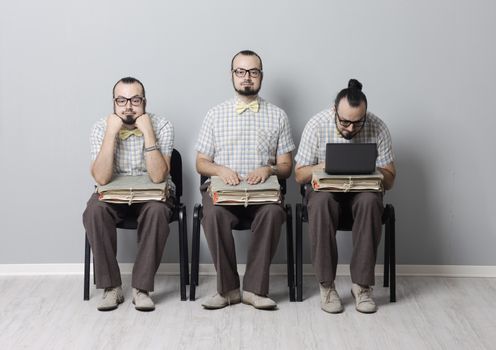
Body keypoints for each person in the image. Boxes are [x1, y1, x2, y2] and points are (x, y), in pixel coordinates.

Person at [195, 50, 295, 310]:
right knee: (213, 215)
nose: (246, 77)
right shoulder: (214, 114)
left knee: (274, 213)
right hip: (224, 192)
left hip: (262, 194)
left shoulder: (278, 116)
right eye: (241, 72)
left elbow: (287, 167)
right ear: (232, 76)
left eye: (253, 72)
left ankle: (254, 289)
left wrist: (269, 169)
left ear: (261, 76)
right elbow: (201, 163)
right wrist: (219, 170)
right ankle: (228, 290)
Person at [294, 79, 396, 314]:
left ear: (365, 115)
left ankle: (361, 287)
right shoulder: (317, 124)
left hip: (362, 195)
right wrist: (323, 165)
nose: (350, 129)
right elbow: (299, 175)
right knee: (321, 201)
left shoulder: (378, 127)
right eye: (344, 122)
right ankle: (327, 286)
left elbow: (390, 181)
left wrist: (371, 166)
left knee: (371, 201)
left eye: (357, 123)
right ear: (334, 110)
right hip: (326, 196)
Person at [83, 77, 175, 311]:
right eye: (121, 100)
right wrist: (111, 135)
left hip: (152, 196)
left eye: (135, 100)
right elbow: (102, 179)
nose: (128, 106)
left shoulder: (162, 125)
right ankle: (111, 287)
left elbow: (158, 177)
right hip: (114, 197)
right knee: (94, 210)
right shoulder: (100, 128)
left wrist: (148, 134)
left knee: (157, 211)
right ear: (113, 103)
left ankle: (141, 289)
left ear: (145, 102)